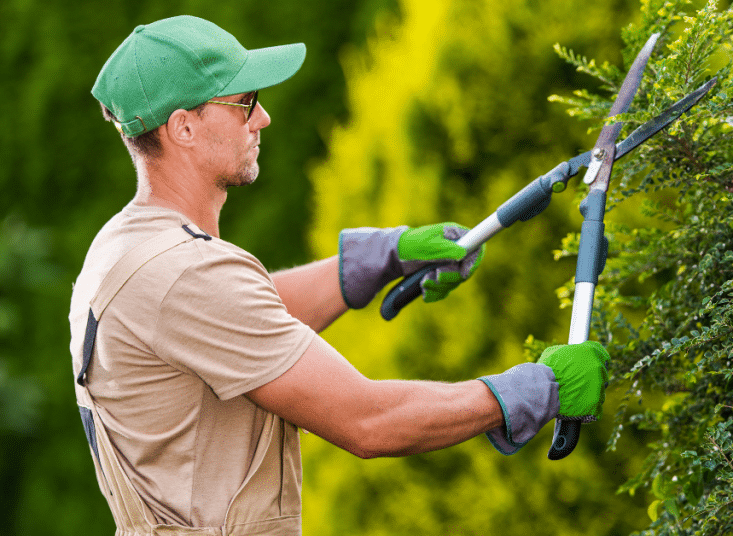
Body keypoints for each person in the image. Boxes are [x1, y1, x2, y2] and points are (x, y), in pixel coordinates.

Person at [70, 15, 610, 535]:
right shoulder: (186, 274)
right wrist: (536, 389)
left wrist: (381, 257)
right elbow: (369, 421)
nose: (262, 118)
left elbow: (243, 318)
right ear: (183, 127)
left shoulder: (128, 249)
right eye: (244, 102)